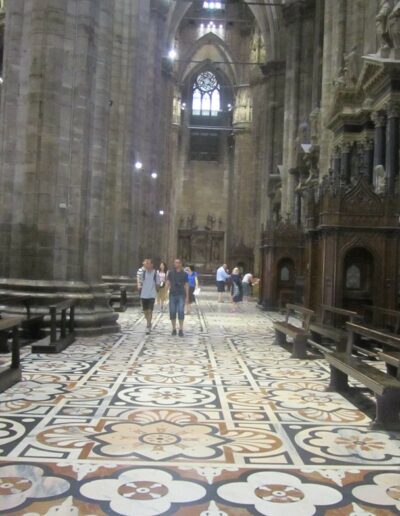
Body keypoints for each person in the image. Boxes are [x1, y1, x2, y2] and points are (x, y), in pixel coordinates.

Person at [167, 259, 189, 337]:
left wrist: (187, 296)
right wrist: (166, 292)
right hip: (172, 294)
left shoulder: (184, 274)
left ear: (180, 264)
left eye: (177, 263)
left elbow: (186, 285)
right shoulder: (170, 273)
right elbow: (168, 282)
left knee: (180, 311)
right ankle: (173, 328)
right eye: (175, 263)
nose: (176, 264)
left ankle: (181, 329)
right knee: (172, 311)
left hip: (181, 294)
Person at [140, 258, 160, 335]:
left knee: (150, 310)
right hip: (144, 294)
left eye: (148, 263)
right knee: (145, 311)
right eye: (146, 263)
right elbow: (141, 282)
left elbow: (158, 283)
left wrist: (157, 289)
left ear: (152, 264)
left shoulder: (155, 273)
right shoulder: (143, 273)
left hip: (151, 294)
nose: (147, 265)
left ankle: (148, 325)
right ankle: (148, 321)